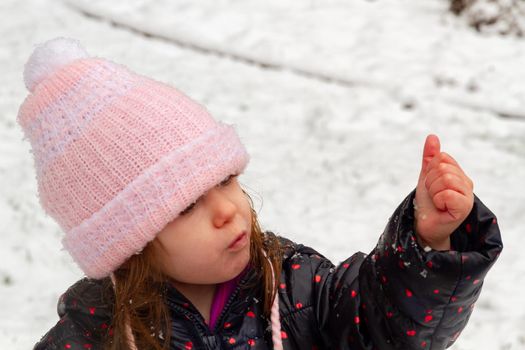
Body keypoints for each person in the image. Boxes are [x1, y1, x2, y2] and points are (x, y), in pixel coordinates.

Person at [17, 37, 502, 350]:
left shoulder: (295, 286)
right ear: (127, 242)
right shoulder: (92, 336)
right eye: (187, 206)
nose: (227, 211)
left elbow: (386, 326)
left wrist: (430, 243)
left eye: (225, 180)